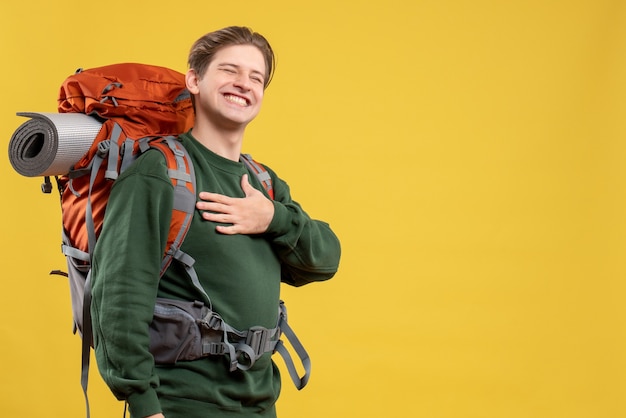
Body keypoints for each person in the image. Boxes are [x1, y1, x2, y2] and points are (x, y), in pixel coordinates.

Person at [90, 26, 341, 418]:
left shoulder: (263, 182)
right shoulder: (159, 173)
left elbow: (325, 259)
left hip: (260, 404)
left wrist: (272, 218)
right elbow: (118, 299)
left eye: (256, 77)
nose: (243, 84)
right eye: (229, 70)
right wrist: (144, 405)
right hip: (181, 405)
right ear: (195, 79)